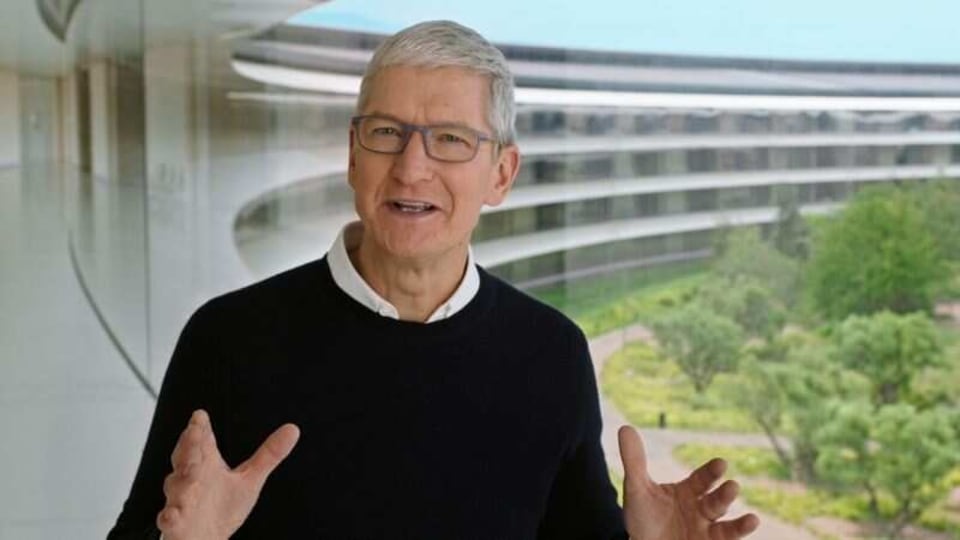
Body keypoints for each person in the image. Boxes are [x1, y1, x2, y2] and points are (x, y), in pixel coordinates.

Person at [108, 20, 760, 540]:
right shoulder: (229, 337)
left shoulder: (551, 352)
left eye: (449, 139)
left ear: (501, 174)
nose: (411, 168)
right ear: (352, 153)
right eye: (387, 132)